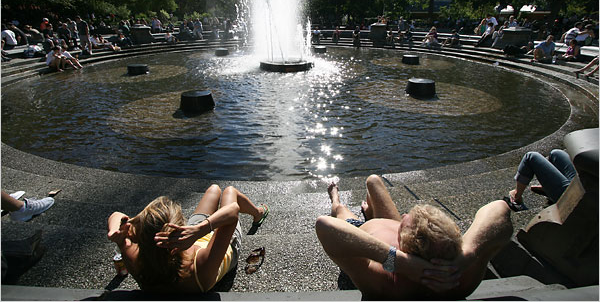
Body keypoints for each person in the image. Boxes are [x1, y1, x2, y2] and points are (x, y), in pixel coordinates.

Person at [316, 175, 512, 300]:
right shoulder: (462, 278)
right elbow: (500, 208)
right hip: (390, 228)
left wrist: (398, 262)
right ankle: (371, 212)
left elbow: (325, 226)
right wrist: (468, 254)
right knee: (373, 181)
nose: (403, 216)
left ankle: (335, 196)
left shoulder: (384, 282)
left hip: (361, 234)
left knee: (341, 210)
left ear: (402, 245)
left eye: (404, 221)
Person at [107, 185, 269, 293]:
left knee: (213, 189)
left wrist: (114, 232)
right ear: (178, 226)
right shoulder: (199, 268)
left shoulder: (138, 263)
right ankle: (258, 213)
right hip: (214, 241)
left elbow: (116, 215)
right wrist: (198, 230)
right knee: (229, 191)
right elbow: (232, 212)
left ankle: (252, 213)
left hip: (189, 234)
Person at [508, 149, 576, 207]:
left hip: (575, 197)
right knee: (556, 153)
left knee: (530, 157)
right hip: (581, 184)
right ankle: (550, 187)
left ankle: (516, 196)